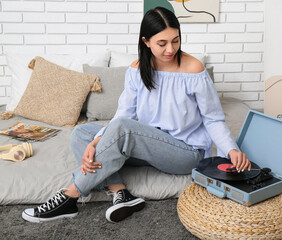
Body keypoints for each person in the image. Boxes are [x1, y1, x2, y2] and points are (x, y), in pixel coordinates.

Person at [22, 7, 251, 223]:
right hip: (149, 147)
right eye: (162, 43)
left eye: (175, 40)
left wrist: (230, 150)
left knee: (122, 128)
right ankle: (121, 193)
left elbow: (213, 118)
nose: (170, 49)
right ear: (146, 41)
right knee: (82, 133)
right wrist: (97, 141)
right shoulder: (137, 69)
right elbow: (124, 113)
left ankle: (69, 197)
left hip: (185, 152)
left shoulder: (193, 70)